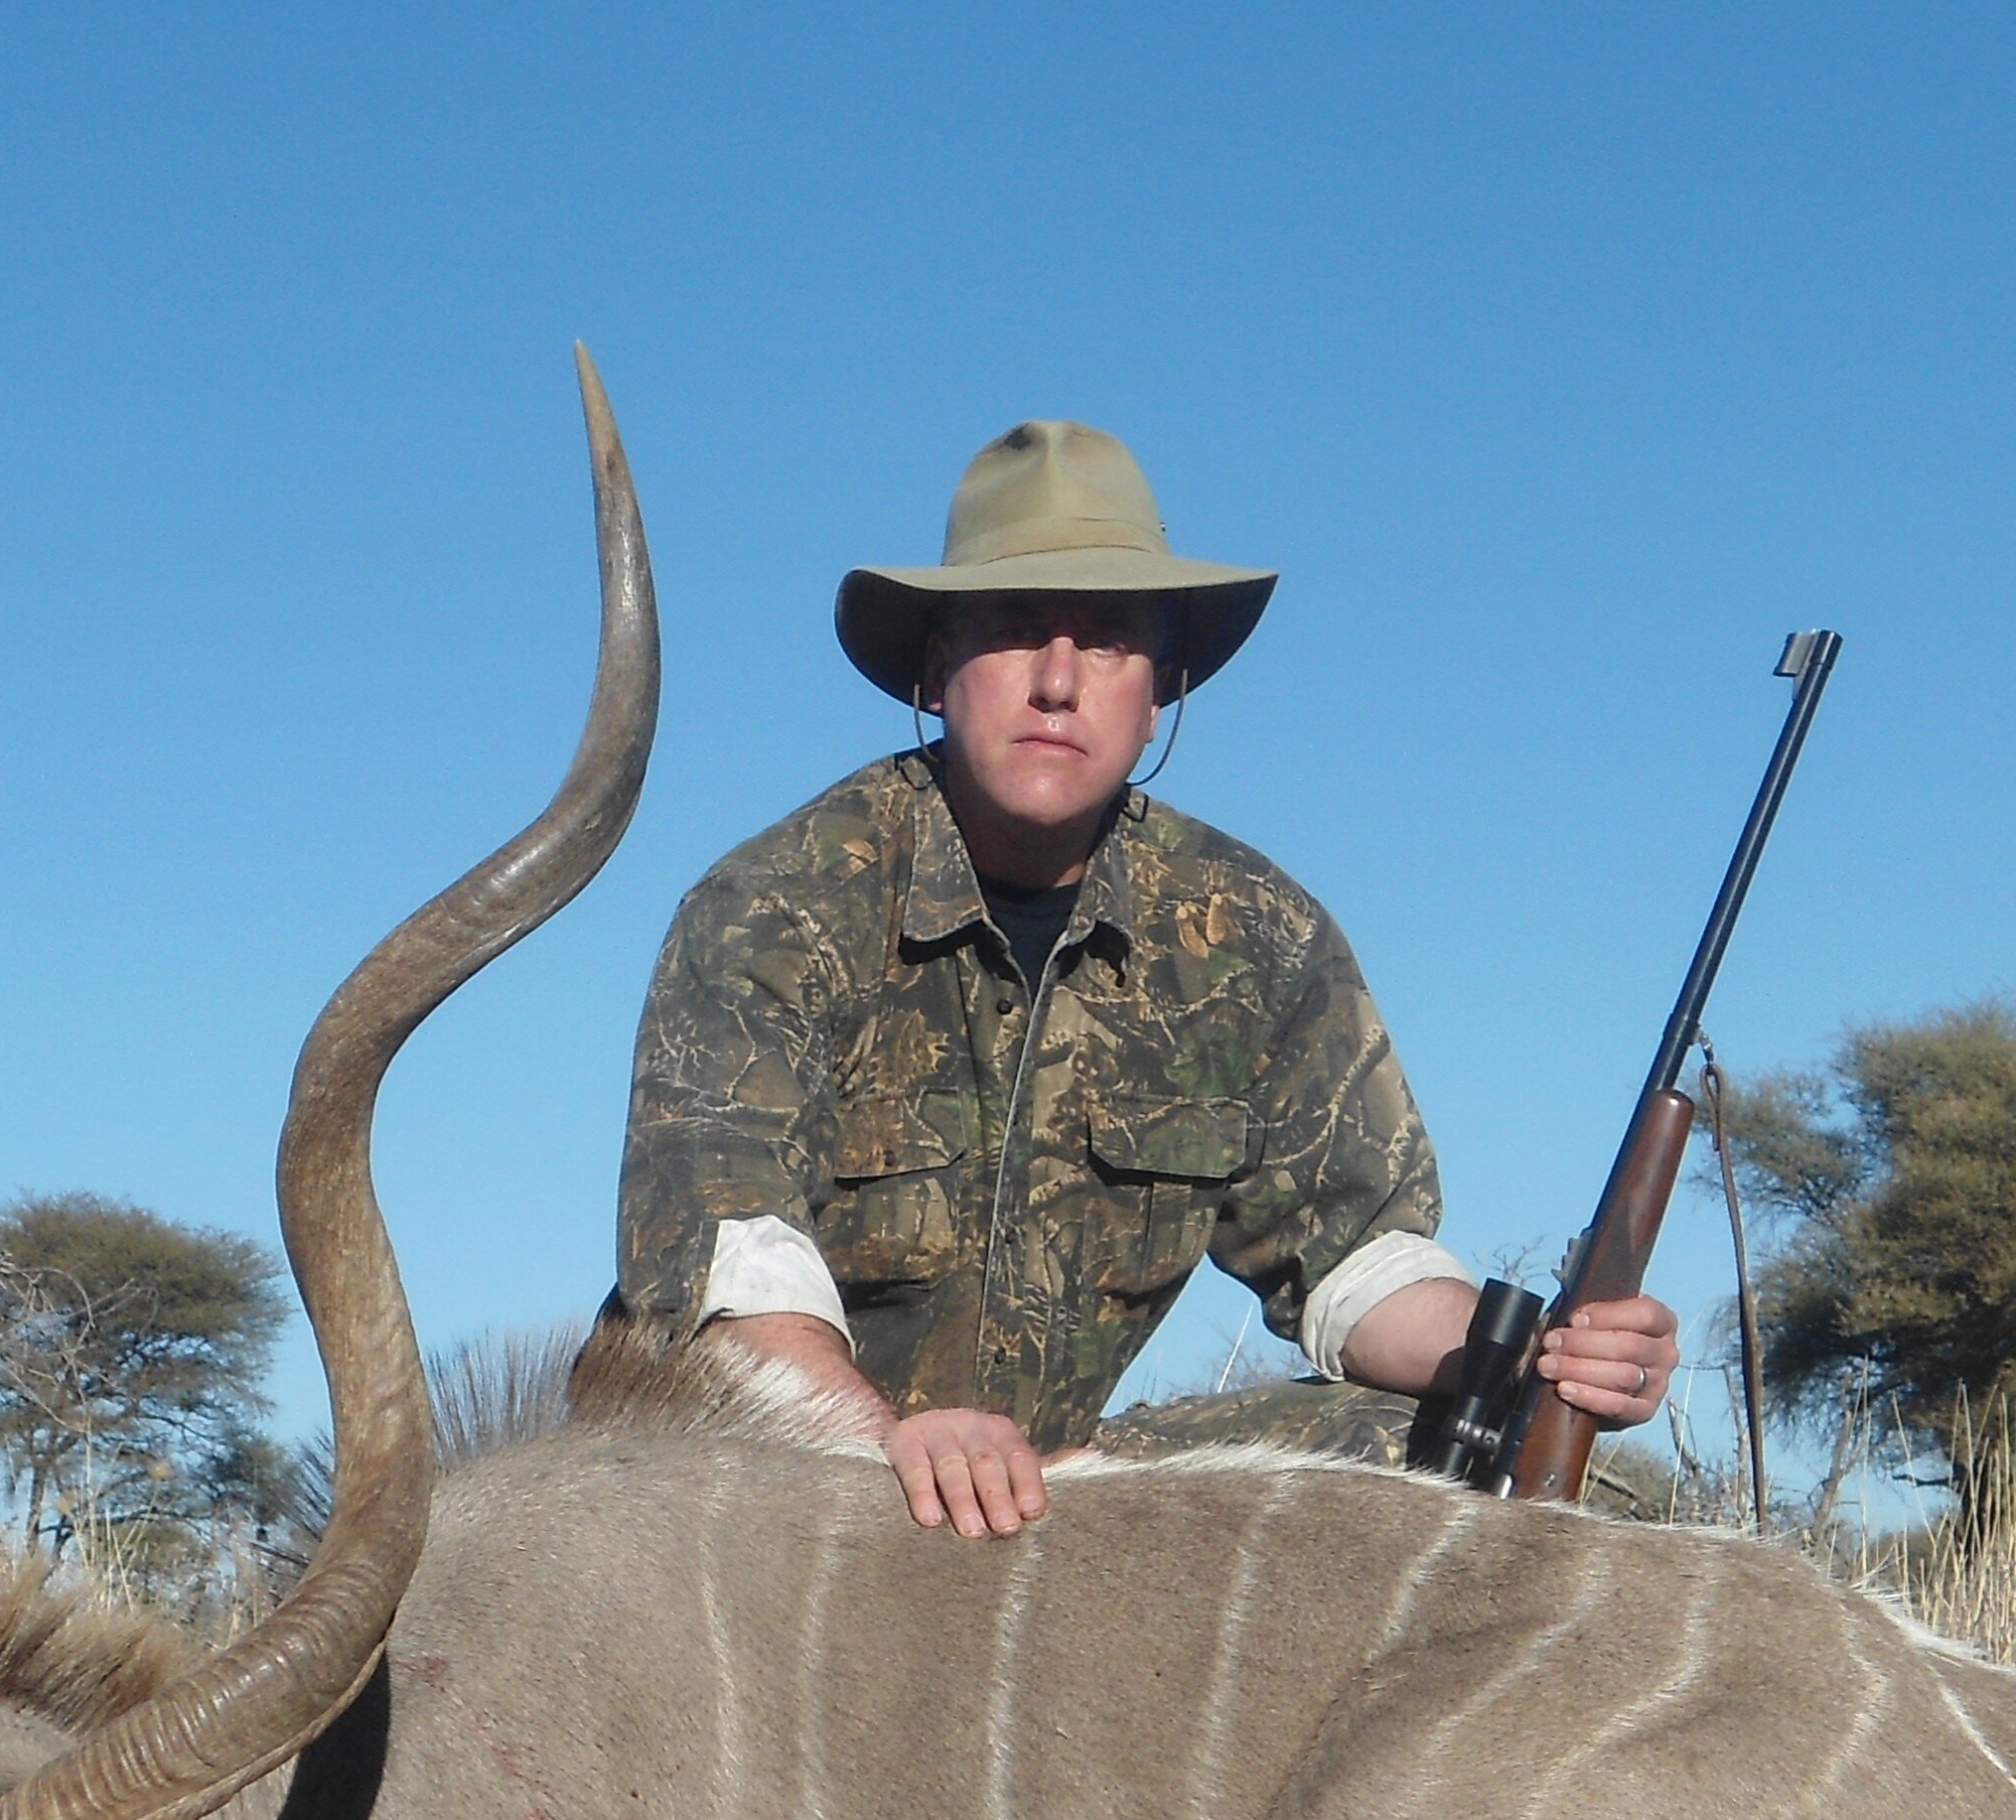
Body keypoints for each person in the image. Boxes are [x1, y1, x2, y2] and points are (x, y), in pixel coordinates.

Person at [611, 416, 1679, 1534]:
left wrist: (1531, 1358)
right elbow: (732, 1271)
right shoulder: (776, 902)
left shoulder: (1256, 932)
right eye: (1018, 632)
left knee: (1454, 1449)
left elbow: (1357, 1264)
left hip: (1038, 1488)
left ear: (1160, 687)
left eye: (1109, 641)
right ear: (939, 669)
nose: (1060, 682)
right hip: (776, 1474)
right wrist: (885, 1440)